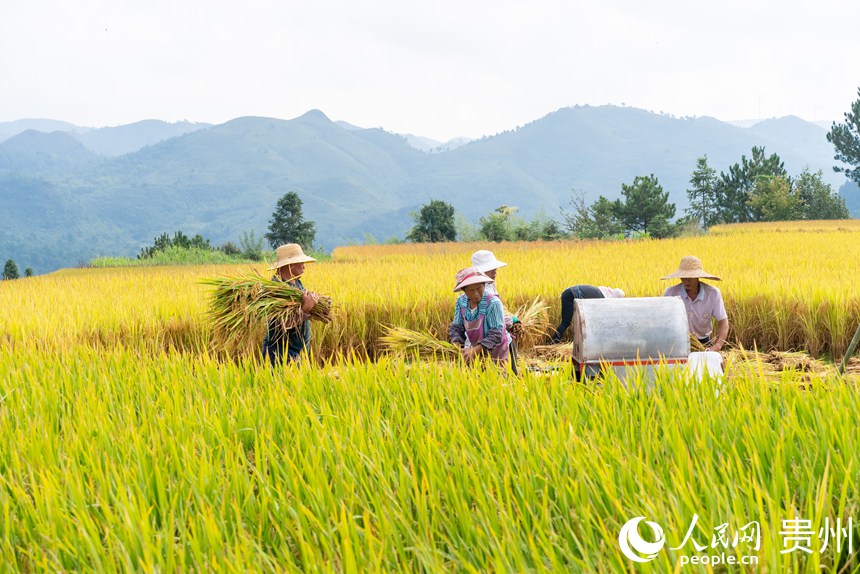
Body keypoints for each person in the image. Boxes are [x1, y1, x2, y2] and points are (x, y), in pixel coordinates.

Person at [262, 243, 320, 364]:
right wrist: (305, 309)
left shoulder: (297, 283)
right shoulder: (276, 289)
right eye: (301, 263)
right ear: (291, 265)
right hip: (280, 353)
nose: (304, 267)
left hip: (298, 351)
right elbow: (280, 325)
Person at [661, 255, 729, 352]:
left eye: (690, 277)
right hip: (677, 342)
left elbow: (723, 322)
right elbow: (663, 321)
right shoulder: (671, 293)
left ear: (698, 277)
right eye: (683, 277)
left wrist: (717, 346)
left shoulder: (712, 293)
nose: (686, 281)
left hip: (703, 342)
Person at [449, 266, 510, 366]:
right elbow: (457, 326)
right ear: (464, 291)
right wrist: (456, 342)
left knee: (498, 377)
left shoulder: (493, 303)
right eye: (471, 291)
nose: (476, 294)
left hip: (498, 351)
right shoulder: (461, 302)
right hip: (476, 351)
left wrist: (476, 349)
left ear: (484, 285)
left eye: (479, 288)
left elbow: (496, 333)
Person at [550, 285, 625, 343]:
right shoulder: (601, 298)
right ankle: (554, 342)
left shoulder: (602, 291)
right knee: (566, 322)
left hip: (568, 293)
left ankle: (554, 341)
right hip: (570, 295)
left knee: (567, 322)